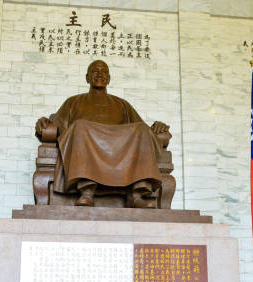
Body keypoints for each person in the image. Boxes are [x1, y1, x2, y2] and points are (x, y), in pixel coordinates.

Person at [35, 60, 170, 208]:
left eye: (104, 71)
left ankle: (136, 194)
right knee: (80, 126)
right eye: (95, 71)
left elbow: (143, 130)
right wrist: (44, 122)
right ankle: (87, 191)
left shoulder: (122, 104)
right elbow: (57, 125)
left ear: (109, 78)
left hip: (120, 149)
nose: (100, 74)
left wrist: (157, 127)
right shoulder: (73, 102)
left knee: (142, 129)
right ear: (87, 78)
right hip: (87, 142)